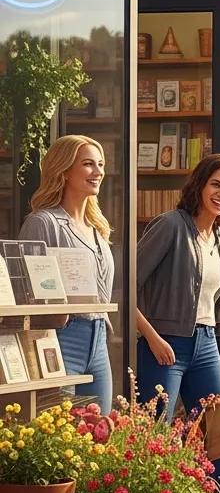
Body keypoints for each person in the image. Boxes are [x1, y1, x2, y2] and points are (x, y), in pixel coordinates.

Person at [136, 154, 220, 489]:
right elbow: (124, 288)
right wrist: (152, 338)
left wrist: (212, 353)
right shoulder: (170, 225)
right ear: (199, 184)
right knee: (154, 437)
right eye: (216, 184)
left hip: (206, 344)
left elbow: (206, 306)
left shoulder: (219, 237)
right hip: (164, 344)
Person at [20, 136, 115, 413]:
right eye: (88, 164)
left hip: (98, 341)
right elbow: (26, 292)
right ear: (63, 170)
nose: (98, 171)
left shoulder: (98, 228)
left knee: (100, 433)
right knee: (61, 440)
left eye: (100, 164)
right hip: (60, 338)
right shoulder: (42, 223)